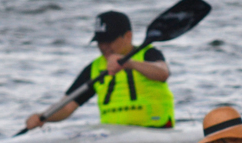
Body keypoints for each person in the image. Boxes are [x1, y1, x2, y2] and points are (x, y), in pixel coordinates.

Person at [25, 10, 175, 130]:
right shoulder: (94, 68)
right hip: (114, 134)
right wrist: (42, 117)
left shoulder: (148, 54)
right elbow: (67, 106)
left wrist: (129, 63)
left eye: (110, 40)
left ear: (128, 36)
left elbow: (162, 73)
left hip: (156, 128)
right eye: (100, 41)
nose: (104, 47)